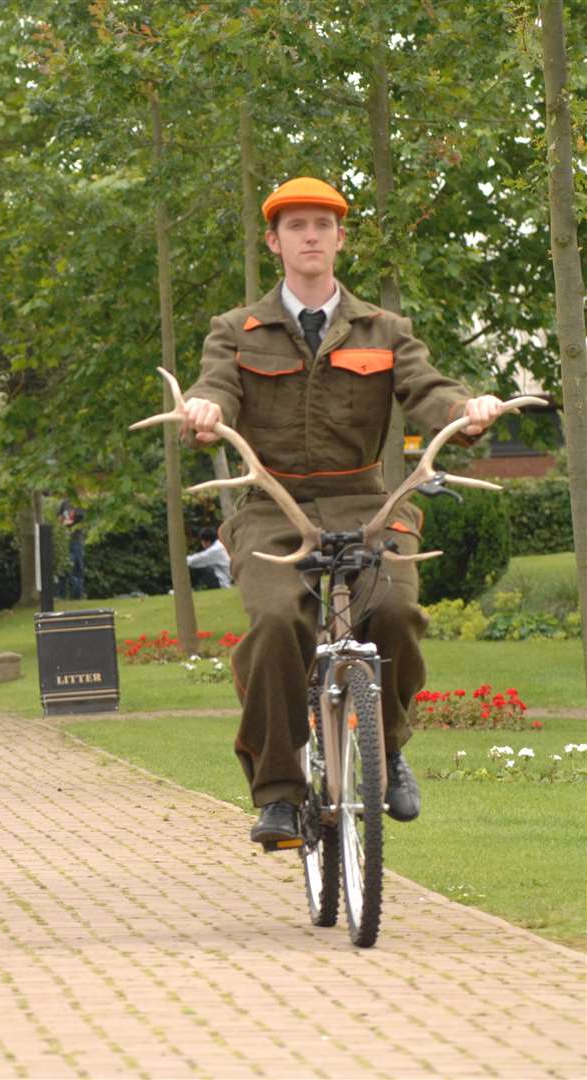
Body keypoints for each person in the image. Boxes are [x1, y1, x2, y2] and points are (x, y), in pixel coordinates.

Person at [181, 177, 505, 847]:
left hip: (369, 501)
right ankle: (277, 792)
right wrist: (204, 411)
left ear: (339, 238)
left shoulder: (384, 329)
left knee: (395, 612)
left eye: (322, 225)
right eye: (296, 225)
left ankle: (386, 752)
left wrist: (465, 413)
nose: (310, 235)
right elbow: (215, 386)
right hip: (274, 507)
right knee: (275, 621)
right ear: (274, 242)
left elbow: (427, 388)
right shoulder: (235, 331)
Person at [57, 499, 86, 600]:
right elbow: (59, 518)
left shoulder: (80, 503)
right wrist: (64, 521)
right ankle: (61, 596)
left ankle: (76, 597)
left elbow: (74, 520)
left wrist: (65, 521)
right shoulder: (64, 503)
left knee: (76, 569)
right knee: (62, 570)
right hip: (63, 541)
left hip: (76, 541)